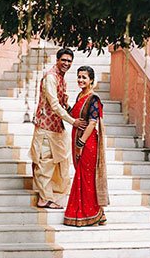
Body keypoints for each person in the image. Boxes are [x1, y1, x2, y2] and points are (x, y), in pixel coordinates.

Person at [29, 48, 86, 210]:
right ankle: (44, 198)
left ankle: (52, 194)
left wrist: (77, 112)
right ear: (58, 59)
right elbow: (54, 104)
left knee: (61, 159)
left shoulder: (61, 78)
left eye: (69, 61)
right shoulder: (51, 78)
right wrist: (73, 121)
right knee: (45, 161)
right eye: (64, 60)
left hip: (57, 126)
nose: (66, 63)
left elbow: (63, 103)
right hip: (45, 126)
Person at [63, 65, 109, 226]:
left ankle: (93, 213)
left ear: (91, 80)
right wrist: (66, 105)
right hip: (77, 138)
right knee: (81, 175)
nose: (81, 80)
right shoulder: (80, 96)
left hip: (87, 142)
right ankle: (98, 214)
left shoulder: (93, 98)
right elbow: (75, 116)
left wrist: (81, 142)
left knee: (86, 177)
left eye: (84, 77)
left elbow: (92, 122)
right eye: (79, 77)